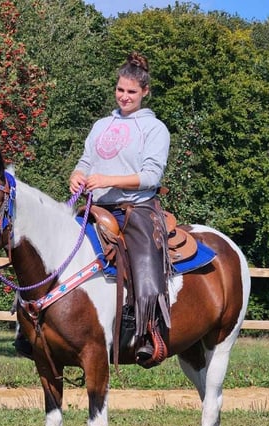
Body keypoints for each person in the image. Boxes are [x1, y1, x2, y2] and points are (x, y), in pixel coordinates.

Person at [69, 51, 172, 367]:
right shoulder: (102, 124)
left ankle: (148, 333)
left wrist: (107, 179)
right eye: (120, 90)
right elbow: (86, 161)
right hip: (95, 207)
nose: (124, 97)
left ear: (145, 92)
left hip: (135, 209)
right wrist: (77, 175)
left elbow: (151, 176)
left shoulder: (155, 129)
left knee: (144, 261)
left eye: (131, 91)